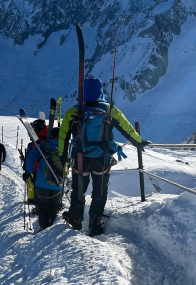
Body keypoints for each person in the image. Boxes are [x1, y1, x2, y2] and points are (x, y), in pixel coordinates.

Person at [58, 78, 151, 235]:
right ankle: (95, 222)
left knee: (78, 191)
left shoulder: (73, 111)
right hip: (102, 159)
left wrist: (62, 157)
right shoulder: (109, 110)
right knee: (100, 192)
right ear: (101, 91)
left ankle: (75, 218)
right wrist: (139, 142)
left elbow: (63, 136)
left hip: (80, 160)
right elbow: (126, 128)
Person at [23, 131, 62, 231]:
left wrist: (28, 171)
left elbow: (31, 158)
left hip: (42, 182)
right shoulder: (66, 146)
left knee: (43, 205)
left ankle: (43, 226)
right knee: (54, 205)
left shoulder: (43, 145)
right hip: (58, 182)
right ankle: (52, 228)